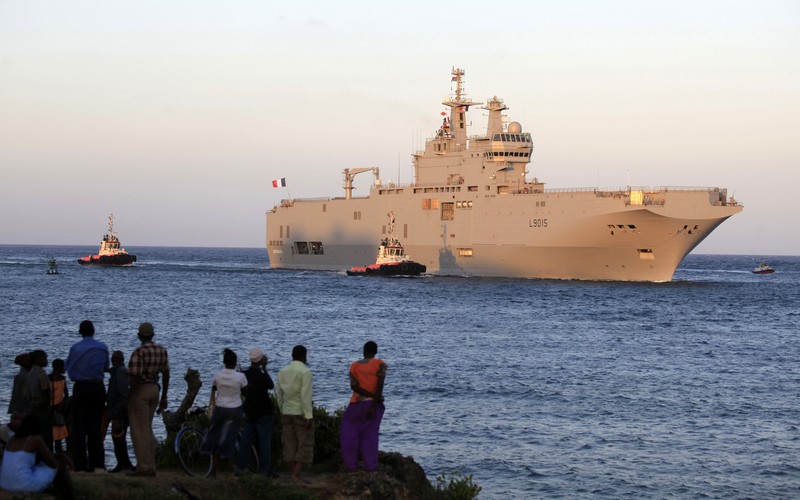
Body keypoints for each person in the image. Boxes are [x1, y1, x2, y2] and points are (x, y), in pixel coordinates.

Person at [66, 320, 109, 473]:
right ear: (93, 331)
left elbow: (69, 370)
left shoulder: (75, 348)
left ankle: (80, 465)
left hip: (81, 387)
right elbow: (105, 367)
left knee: (79, 427)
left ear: (80, 332)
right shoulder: (102, 347)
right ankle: (97, 465)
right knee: (95, 427)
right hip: (97, 387)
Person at [127, 322, 170, 477]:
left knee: (139, 430)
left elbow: (135, 377)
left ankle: (144, 467)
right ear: (152, 335)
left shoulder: (139, 352)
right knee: (147, 428)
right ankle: (151, 465)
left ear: (139, 336)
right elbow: (166, 374)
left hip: (141, 390)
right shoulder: (161, 350)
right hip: (155, 389)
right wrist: (164, 395)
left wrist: (129, 397)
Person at [0, 414, 76, 500]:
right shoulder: (35, 439)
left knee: (54, 468)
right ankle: (71, 497)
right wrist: (63, 457)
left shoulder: (12, 439)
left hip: (5, 482)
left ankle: (64, 496)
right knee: (60, 464)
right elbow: (53, 464)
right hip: (23, 484)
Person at [340, 341, 387, 472]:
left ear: (364, 351)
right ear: (375, 352)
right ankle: (371, 467)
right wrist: (374, 401)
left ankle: (350, 466)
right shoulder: (380, 364)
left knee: (349, 434)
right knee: (370, 435)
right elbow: (379, 386)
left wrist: (370, 395)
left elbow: (354, 387)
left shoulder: (354, 366)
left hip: (355, 404)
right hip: (372, 404)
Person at [201, 348, 247, 476]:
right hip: (235, 409)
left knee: (216, 437)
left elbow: (214, 388)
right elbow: (245, 391)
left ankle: (213, 471)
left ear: (224, 362)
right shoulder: (240, 376)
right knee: (230, 438)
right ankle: (231, 469)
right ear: (235, 362)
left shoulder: (217, 375)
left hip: (220, 408)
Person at [236, 347, 276, 476]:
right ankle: (266, 469)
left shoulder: (245, 374)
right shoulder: (262, 376)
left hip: (250, 411)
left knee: (245, 441)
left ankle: (240, 467)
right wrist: (264, 368)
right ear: (261, 360)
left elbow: (242, 391)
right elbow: (271, 386)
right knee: (264, 442)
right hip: (264, 412)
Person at [277, 345, 314, 483]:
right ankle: (296, 474)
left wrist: (281, 409)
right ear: (305, 356)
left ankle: (294, 474)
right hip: (300, 412)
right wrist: (308, 415)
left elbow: (279, 394)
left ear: (292, 355)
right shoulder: (305, 372)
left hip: (286, 411)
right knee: (304, 443)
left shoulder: (282, 371)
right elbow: (305, 396)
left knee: (289, 443)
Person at [107, 350, 134, 473]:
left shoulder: (120, 372)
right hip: (119, 410)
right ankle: (123, 462)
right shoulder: (119, 371)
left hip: (120, 411)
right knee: (118, 437)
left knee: (118, 437)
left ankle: (123, 463)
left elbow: (123, 394)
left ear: (113, 360)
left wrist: (119, 410)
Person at [27, 350, 52, 451]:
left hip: (33, 406)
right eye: (44, 358)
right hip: (42, 406)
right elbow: (44, 392)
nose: (46, 361)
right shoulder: (41, 374)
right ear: (37, 359)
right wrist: (49, 408)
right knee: (45, 433)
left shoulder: (30, 373)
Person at [49, 359, 69, 453]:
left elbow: (66, 394)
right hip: (50, 407)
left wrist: (63, 404)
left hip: (60, 407)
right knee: (51, 430)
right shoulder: (49, 378)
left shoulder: (63, 379)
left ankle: (58, 450)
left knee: (59, 430)